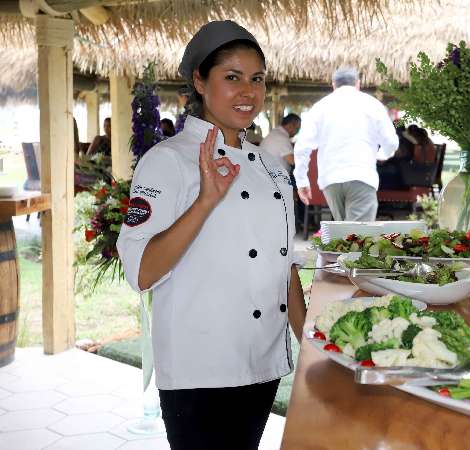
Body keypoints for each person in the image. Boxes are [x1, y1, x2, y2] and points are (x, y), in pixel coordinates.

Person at [116, 20, 306, 450]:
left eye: (256, 79)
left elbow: (283, 268)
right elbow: (142, 271)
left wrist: (310, 341)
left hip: (262, 360)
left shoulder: (273, 167)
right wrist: (205, 202)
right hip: (200, 367)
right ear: (200, 81)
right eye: (232, 77)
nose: (248, 92)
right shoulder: (167, 162)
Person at [293, 67, 398, 221]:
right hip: (361, 176)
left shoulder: (319, 107)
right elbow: (391, 141)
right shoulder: (372, 105)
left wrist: (302, 180)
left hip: (331, 180)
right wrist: (382, 154)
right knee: (360, 238)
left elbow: (302, 147)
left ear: (333, 85)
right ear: (358, 84)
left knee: (344, 237)